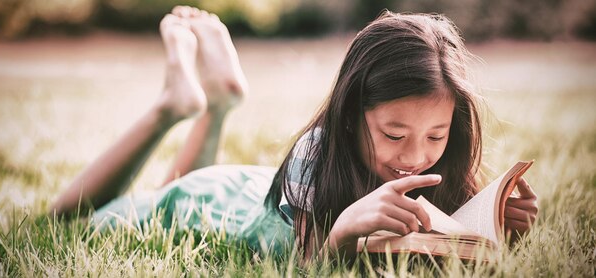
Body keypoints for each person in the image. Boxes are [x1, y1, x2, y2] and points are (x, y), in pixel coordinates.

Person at [50, 6, 539, 262]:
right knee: (67, 219)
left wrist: (499, 222)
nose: (416, 155)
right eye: (393, 135)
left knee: (178, 183)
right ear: (350, 118)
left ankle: (215, 105)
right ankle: (170, 107)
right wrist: (343, 233)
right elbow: (306, 264)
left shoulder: (442, 157)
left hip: (247, 187)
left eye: (436, 136)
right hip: (217, 202)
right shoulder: (319, 150)